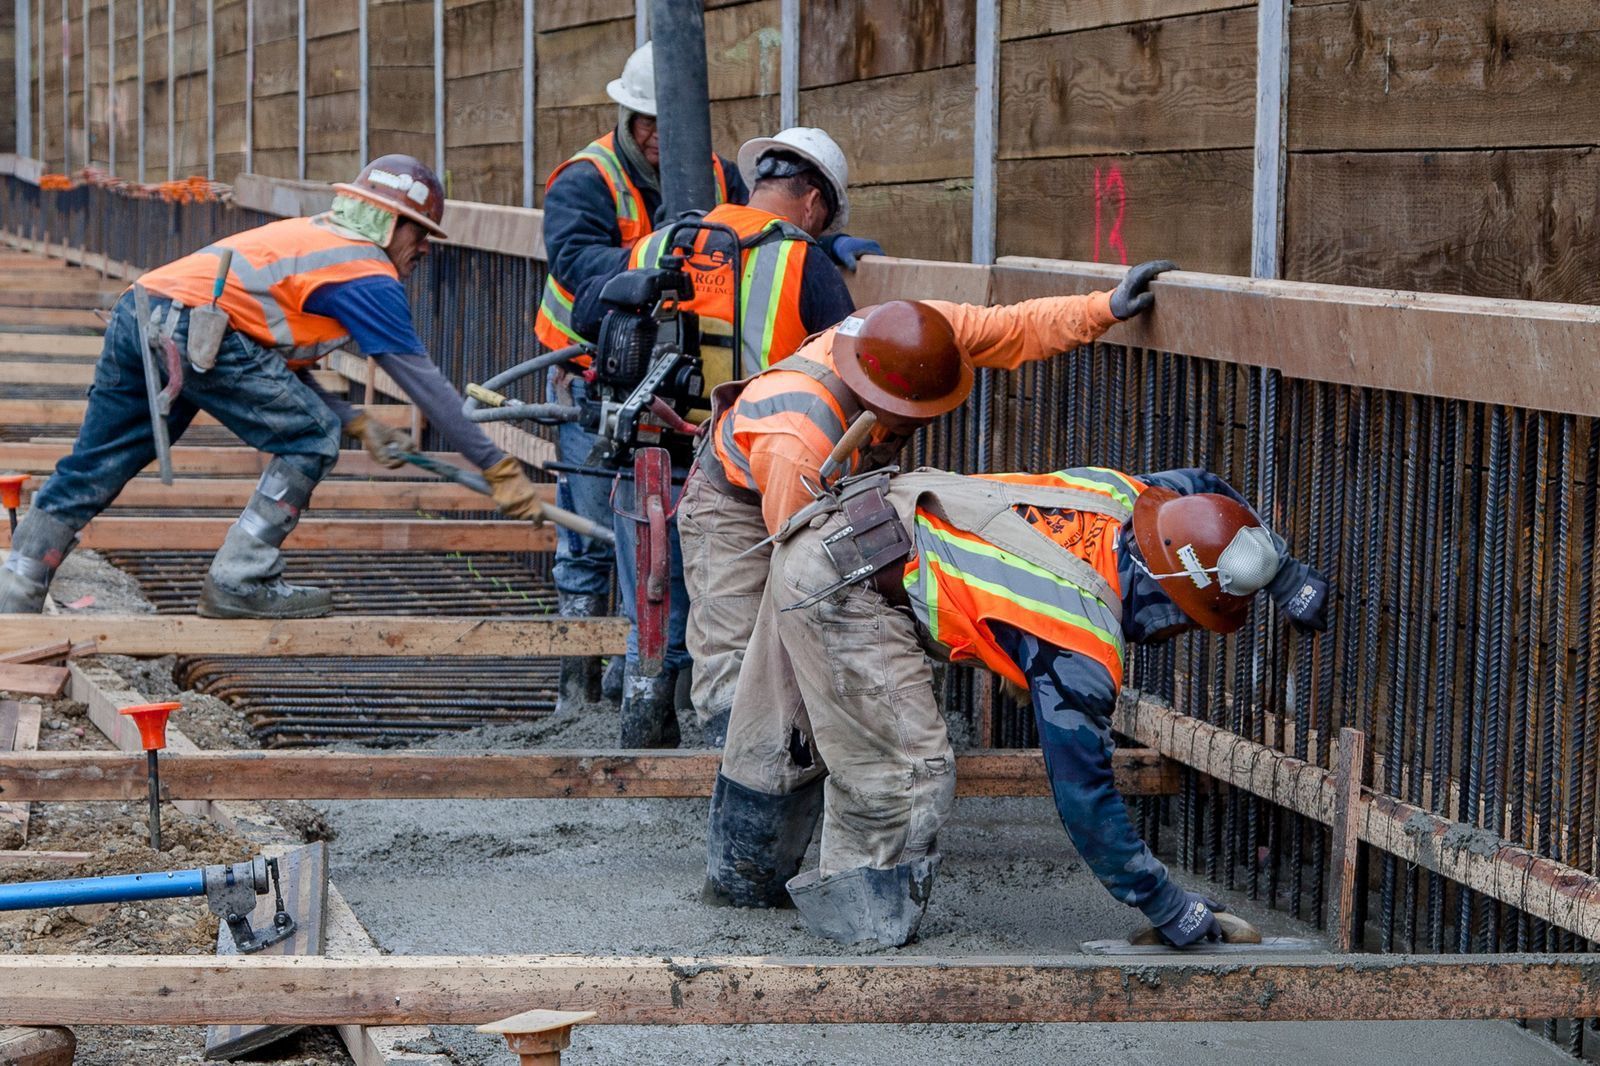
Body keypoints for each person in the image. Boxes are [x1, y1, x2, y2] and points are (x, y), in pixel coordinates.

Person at [720, 461, 1332, 946]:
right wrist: (1166, 904)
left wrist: (1276, 570)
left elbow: (1205, 489)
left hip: (836, 525)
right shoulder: (1079, 639)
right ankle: (857, 947)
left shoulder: (1137, 498)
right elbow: (1084, 797)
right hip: (846, 590)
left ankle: (737, 884)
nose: (1179, 634)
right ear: (1166, 599)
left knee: (777, 740)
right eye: (1187, 622)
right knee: (905, 779)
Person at [0, 155, 546, 617]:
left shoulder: (312, 239)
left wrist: (353, 417)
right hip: (197, 329)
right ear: (389, 223)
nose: (424, 249)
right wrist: (495, 465)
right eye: (420, 231)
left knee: (98, 463)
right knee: (309, 439)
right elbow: (422, 381)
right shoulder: (365, 272)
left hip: (140, 312)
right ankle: (240, 580)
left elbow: (265, 352)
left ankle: (15, 593)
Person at [679, 262, 1174, 760]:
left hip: (828, 483)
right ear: (881, 404)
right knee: (745, 669)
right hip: (734, 508)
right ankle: (744, 790)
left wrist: (1102, 308)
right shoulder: (800, 437)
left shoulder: (919, 333)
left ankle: (829, 759)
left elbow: (1015, 327)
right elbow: (803, 579)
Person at [571, 128, 871, 747]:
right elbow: (849, 371)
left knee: (654, 611)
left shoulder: (661, 243)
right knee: (740, 628)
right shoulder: (801, 261)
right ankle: (738, 752)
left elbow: (586, 312)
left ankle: (645, 741)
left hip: (650, 458)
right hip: (747, 477)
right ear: (813, 203)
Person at [533, 40, 749, 715]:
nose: (658, 135)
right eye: (645, 121)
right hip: (591, 380)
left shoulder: (718, 176)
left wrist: (823, 245)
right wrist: (662, 258)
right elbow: (580, 272)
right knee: (591, 537)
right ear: (626, 118)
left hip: (680, 388)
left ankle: (643, 680)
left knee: (659, 540)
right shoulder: (585, 179)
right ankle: (577, 691)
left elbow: (759, 237)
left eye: (667, 122)